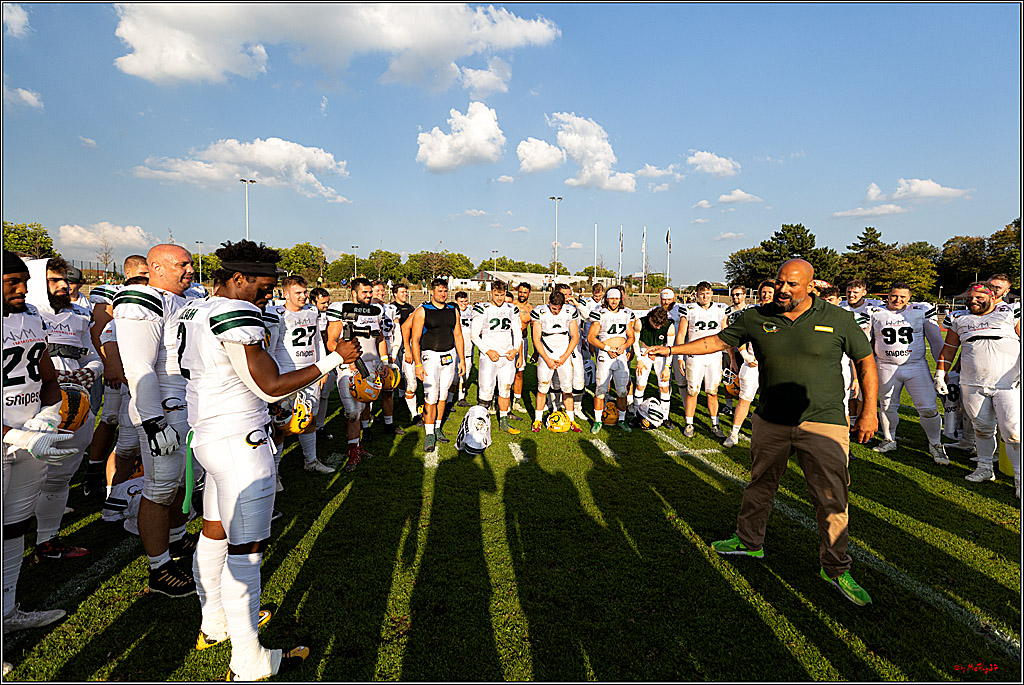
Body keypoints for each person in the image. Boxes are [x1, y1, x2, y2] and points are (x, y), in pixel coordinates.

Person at [175, 240, 359, 680]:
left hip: (209, 434)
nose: (268, 294)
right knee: (247, 551)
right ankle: (250, 660)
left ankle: (214, 621)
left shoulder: (193, 309)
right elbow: (270, 385)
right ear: (238, 278)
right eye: (262, 284)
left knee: (215, 533)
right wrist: (334, 359)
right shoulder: (235, 313)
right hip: (240, 441)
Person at [648, 259, 879, 607]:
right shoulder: (756, 317)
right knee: (760, 484)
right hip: (771, 420)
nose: (784, 290)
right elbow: (714, 342)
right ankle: (749, 542)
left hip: (824, 422)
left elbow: (866, 361)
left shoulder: (838, 318)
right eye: (781, 282)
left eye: (793, 285)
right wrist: (670, 349)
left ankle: (834, 567)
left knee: (831, 496)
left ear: (811, 286)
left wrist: (868, 411)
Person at [113, 243, 198, 597]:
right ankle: (158, 569)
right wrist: (152, 420)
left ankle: (176, 541)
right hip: (163, 403)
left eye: (191, 264)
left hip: (189, 399)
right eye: (182, 264)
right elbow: (138, 367)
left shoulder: (190, 298)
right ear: (156, 268)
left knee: (181, 485)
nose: (190, 270)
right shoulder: (141, 300)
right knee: (160, 488)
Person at [3, 250, 78, 634]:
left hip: (31, 436)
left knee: (14, 526)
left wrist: (47, 417)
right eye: (11, 283)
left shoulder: (30, 317)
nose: (22, 290)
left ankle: (6, 611)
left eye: (24, 282)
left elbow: (47, 376)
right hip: (11, 439)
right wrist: (19, 435)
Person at [24, 257, 101, 560]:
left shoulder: (79, 316)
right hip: (35, 408)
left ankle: (48, 542)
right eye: (54, 280)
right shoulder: (23, 316)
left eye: (65, 279)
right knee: (26, 476)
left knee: (61, 476)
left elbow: (92, 356)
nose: (64, 286)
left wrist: (90, 372)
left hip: (76, 403)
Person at [935, 282, 1020, 489]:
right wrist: (940, 372)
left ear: (992, 297)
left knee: (1012, 432)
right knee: (981, 428)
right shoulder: (959, 319)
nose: (973, 300)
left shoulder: (1010, 314)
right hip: (972, 382)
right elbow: (949, 348)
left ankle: (1019, 476)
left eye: (979, 297)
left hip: (1008, 383)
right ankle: (984, 467)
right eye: (969, 297)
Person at [85, 254, 149, 498]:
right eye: (141, 274)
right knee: (111, 418)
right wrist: (109, 365)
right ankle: (94, 473)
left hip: (139, 368)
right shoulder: (114, 293)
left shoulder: (152, 293)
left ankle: (134, 478)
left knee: (135, 425)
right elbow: (101, 331)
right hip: (117, 365)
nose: (146, 278)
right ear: (129, 273)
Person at [866, 283, 947, 463]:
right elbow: (868, 342)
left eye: (903, 296)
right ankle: (889, 439)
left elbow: (935, 341)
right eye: (894, 296)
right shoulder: (875, 313)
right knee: (887, 405)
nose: (898, 300)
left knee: (927, 407)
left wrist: (943, 368)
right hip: (886, 365)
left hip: (915, 365)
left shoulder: (921, 310)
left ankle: (935, 444)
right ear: (888, 296)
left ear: (909, 297)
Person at [267, 275, 335, 474]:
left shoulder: (312, 312)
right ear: (285, 294)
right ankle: (276, 471)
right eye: (298, 293)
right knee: (281, 424)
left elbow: (318, 342)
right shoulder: (276, 313)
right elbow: (271, 349)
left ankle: (310, 460)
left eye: (305, 292)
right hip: (286, 374)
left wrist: (322, 368)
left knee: (310, 418)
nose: (304, 296)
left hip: (311, 372)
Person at [326, 278, 389, 469]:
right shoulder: (342, 309)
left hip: (371, 364)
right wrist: (348, 359)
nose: (369, 296)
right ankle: (353, 451)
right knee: (352, 412)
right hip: (350, 365)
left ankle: (357, 445)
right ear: (354, 293)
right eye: (365, 292)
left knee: (363, 408)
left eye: (370, 292)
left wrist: (384, 361)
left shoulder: (376, 310)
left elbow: (380, 338)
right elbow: (331, 341)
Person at [409, 278, 465, 452]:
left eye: (445, 291)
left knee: (443, 394)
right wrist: (418, 363)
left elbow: (458, 335)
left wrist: (462, 359)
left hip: (449, 355)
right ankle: (428, 433)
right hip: (430, 356)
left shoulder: (452, 310)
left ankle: (438, 426)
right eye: (439, 291)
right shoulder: (423, 311)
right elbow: (415, 339)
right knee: (430, 396)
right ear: (432, 291)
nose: (443, 294)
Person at [721, 281, 775, 447]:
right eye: (763, 292)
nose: (766, 295)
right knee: (745, 400)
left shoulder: (784, 313)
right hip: (752, 363)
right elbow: (741, 336)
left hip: (773, 365)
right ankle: (734, 433)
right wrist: (745, 355)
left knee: (771, 401)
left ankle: (768, 435)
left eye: (769, 292)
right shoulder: (752, 312)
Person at [676, 281, 729, 438]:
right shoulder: (689, 309)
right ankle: (689, 423)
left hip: (714, 355)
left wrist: (729, 355)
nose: (705, 296)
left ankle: (715, 423)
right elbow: (681, 334)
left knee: (712, 392)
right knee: (693, 391)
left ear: (712, 293)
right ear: (697, 294)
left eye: (707, 293)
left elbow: (725, 331)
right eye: (701, 293)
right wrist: (680, 356)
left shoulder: (720, 309)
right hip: (695, 355)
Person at [471, 280, 522, 435]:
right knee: (485, 390)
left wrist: (515, 349)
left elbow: (518, 331)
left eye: (502, 295)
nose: (499, 298)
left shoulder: (511, 309)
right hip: (489, 356)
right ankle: (480, 422)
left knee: (505, 389)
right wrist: (487, 350)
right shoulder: (483, 308)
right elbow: (474, 335)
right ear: (491, 293)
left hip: (507, 356)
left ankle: (504, 421)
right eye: (496, 294)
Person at [531, 290, 583, 433]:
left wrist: (565, 356)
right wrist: (547, 359)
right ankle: (537, 419)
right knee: (542, 387)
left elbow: (575, 336)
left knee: (567, 389)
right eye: (554, 308)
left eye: (559, 308)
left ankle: (571, 420)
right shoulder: (540, 312)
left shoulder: (569, 311)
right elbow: (536, 338)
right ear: (549, 303)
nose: (557, 311)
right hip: (546, 352)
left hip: (563, 353)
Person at [587, 286, 636, 433]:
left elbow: (632, 336)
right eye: (611, 298)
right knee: (600, 390)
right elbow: (591, 338)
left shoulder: (627, 314)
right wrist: (607, 348)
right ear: (606, 299)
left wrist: (625, 346)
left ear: (620, 299)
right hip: (605, 355)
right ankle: (597, 421)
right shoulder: (600, 313)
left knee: (622, 391)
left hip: (620, 355)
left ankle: (621, 419)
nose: (614, 301)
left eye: (616, 298)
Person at [840, 279, 884, 424]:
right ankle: (851, 420)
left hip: (868, 354)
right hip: (845, 355)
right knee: (848, 389)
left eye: (855, 292)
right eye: (848, 292)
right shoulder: (841, 307)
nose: (851, 295)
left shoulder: (875, 307)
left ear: (864, 293)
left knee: (864, 392)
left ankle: (861, 420)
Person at [632, 302, 675, 418]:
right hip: (644, 353)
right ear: (650, 317)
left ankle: (665, 416)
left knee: (664, 386)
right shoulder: (640, 322)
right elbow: (635, 342)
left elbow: (670, 349)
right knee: (640, 385)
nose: (658, 327)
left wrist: (667, 367)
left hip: (661, 355)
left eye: (661, 324)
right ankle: (637, 415)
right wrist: (639, 359)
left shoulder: (669, 326)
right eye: (655, 323)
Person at [721, 284, 750, 417]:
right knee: (729, 378)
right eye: (733, 294)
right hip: (731, 351)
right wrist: (732, 358)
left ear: (744, 295)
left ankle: (745, 408)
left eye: (738, 294)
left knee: (746, 380)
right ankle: (728, 406)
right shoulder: (727, 311)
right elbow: (725, 332)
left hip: (747, 352)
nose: (735, 297)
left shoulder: (751, 310)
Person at [511, 282, 533, 414]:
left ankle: (517, 401)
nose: (522, 294)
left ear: (529, 293)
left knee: (519, 372)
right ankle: (497, 400)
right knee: (503, 371)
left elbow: (534, 330)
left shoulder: (531, 309)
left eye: (525, 292)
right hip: (508, 341)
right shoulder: (511, 305)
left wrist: (535, 351)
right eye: (520, 292)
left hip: (522, 342)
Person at [453, 291, 476, 408]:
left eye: (465, 301)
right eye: (461, 301)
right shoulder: (452, 310)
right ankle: (448, 400)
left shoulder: (472, 310)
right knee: (453, 377)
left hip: (468, 350)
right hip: (455, 350)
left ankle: (461, 398)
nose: (464, 304)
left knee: (465, 376)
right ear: (456, 301)